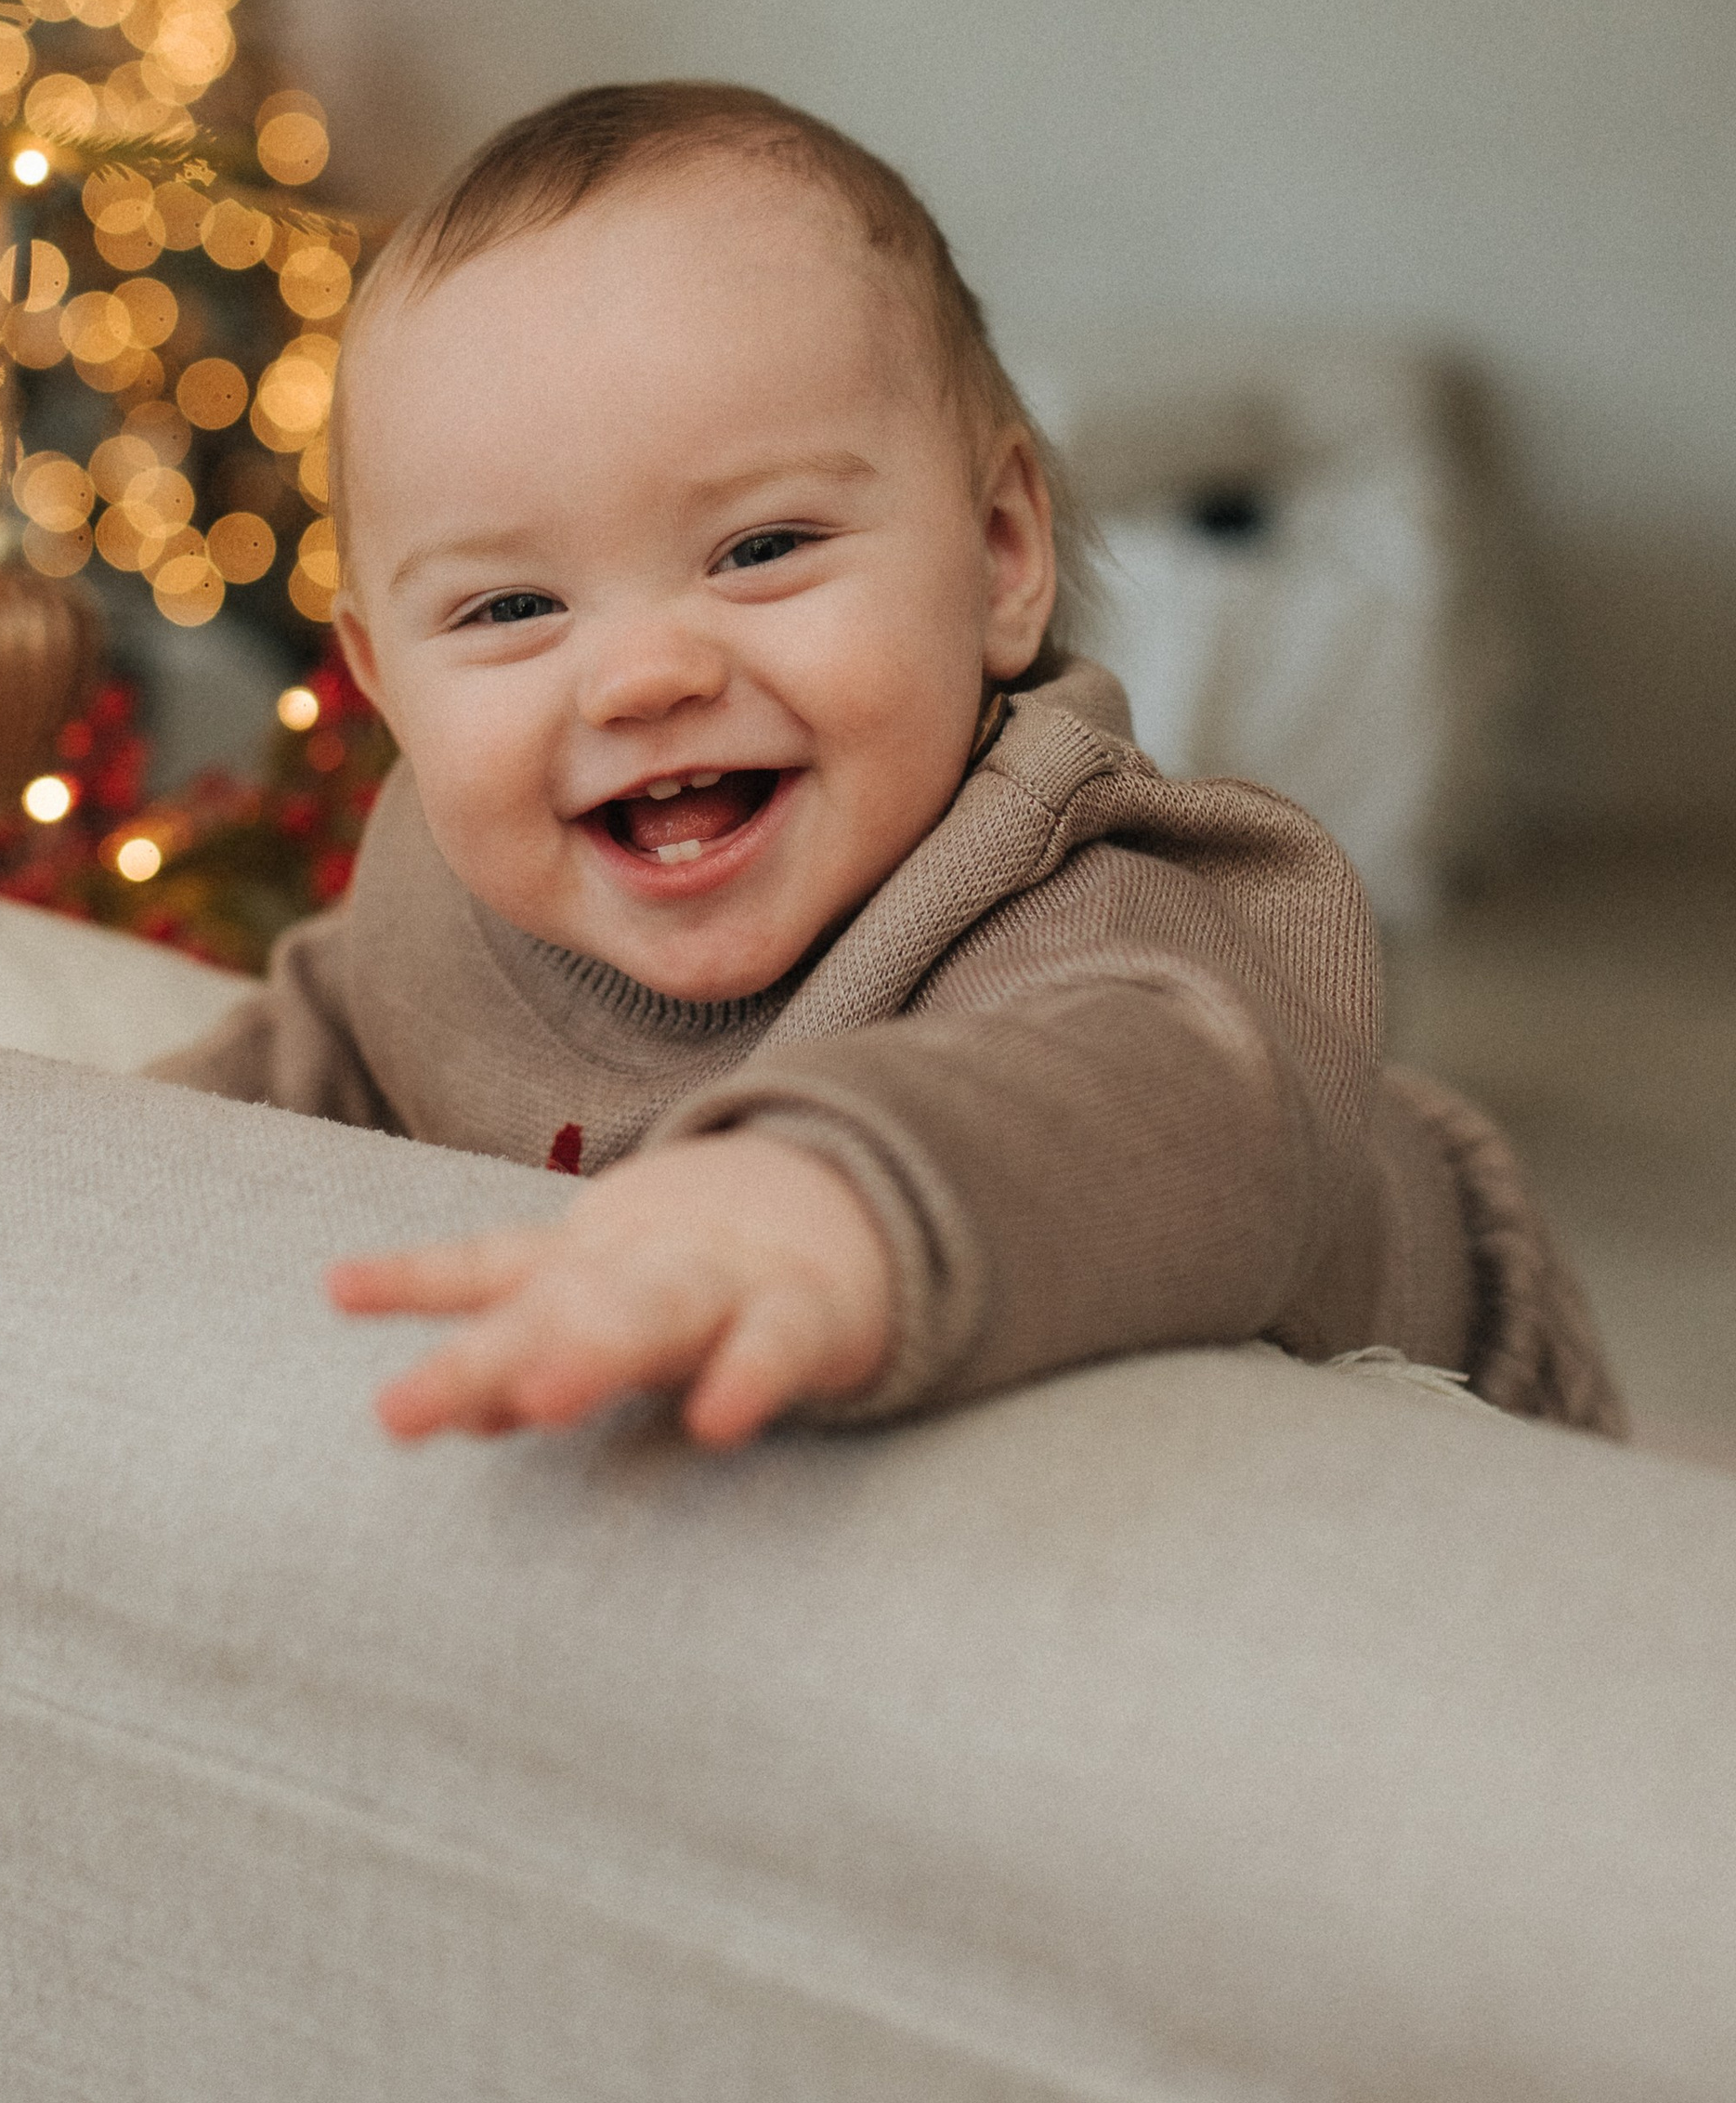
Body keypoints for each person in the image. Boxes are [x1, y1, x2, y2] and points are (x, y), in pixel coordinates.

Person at [156, 80, 1623, 1450]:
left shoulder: (1072, 894)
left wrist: (824, 1205)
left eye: (764, 548)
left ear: (999, 558)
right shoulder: (432, 892)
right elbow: (288, 1069)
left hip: (1446, 1394)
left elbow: (1170, 1109)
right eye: (511, 608)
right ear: (381, 679)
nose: (646, 674)